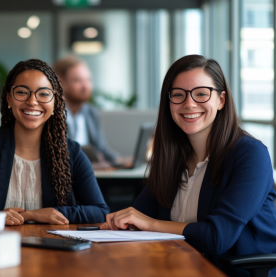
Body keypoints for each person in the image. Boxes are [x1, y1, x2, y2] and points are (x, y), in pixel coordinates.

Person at [100, 55, 276, 277]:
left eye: (201, 93)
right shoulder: (172, 158)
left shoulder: (250, 154)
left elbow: (216, 237)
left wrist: (151, 224)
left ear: (221, 100)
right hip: (174, 266)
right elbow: (137, 218)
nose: (189, 103)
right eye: (178, 95)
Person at [0, 59, 109, 225]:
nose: (32, 101)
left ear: (55, 102)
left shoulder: (70, 152)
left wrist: (43, 214)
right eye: (22, 92)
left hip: (51, 249)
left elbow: (100, 211)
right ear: (9, 98)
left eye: (44, 94)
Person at [53, 56, 127, 167]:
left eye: (88, 80)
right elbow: (57, 154)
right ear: (61, 82)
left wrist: (120, 160)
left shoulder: (91, 112)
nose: (85, 86)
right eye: (78, 80)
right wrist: (89, 165)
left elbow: (101, 148)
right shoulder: (51, 114)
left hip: (95, 174)